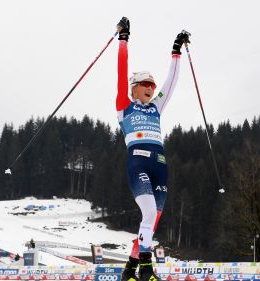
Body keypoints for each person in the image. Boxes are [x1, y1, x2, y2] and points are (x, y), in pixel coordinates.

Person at [115, 17, 190, 281]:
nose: (151, 88)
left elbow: (171, 83)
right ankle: (146, 267)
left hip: (160, 166)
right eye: (145, 85)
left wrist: (176, 52)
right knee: (147, 213)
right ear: (134, 88)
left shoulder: (156, 107)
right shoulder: (124, 106)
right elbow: (121, 70)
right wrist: (123, 39)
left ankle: (129, 270)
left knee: (151, 221)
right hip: (139, 163)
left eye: (152, 86)